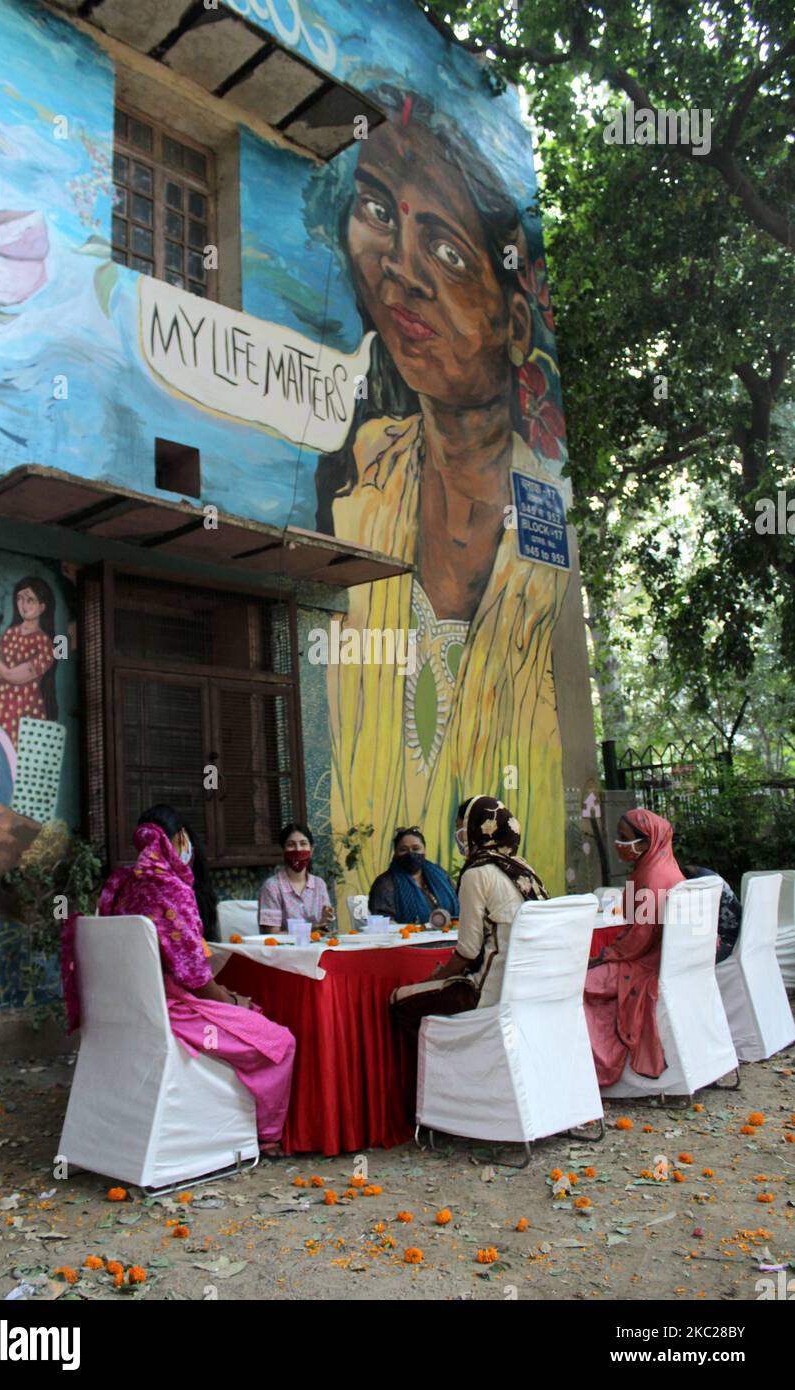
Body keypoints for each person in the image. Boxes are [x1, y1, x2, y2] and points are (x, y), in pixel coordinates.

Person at [314, 84, 570, 899]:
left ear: (516, 324)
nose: (400, 270)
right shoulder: (352, 481)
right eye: (379, 213)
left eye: (449, 253)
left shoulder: (543, 542)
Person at [63, 803, 295, 1150]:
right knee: (278, 1042)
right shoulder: (169, 888)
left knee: (248, 1015)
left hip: (124, 1014)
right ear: (182, 839)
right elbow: (196, 977)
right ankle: (266, 1136)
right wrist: (234, 1002)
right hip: (171, 1013)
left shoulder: (121, 884)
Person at [391, 795, 548, 1026]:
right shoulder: (523, 868)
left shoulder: (477, 873)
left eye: (463, 831)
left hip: (489, 992)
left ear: (477, 830)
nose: (461, 839)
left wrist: (435, 977)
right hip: (532, 987)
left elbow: (468, 952)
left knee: (399, 1001)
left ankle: (450, 1059)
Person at [584, 809, 683, 1087]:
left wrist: (603, 956)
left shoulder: (650, 878)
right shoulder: (667, 867)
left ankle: (601, 1066)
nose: (618, 843)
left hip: (643, 965)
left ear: (646, 841)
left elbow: (638, 940)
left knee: (579, 983)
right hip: (660, 960)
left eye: (624, 838)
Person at [0, 576, 57, 749]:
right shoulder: (11, 634)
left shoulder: (45, 645)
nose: (23, 605)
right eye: (20, 599)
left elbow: (12, 676)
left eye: (30, 600)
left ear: (41, 607)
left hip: (24, 712)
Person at [367, 825, 459, 923]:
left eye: (416, 849)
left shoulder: (440, 875)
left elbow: (458, 902)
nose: (410, 854)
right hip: (406, 936)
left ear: (424, 850)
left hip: (450, 935)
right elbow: (383, 921)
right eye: (403, 850)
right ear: (395, 853)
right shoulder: (385, 884)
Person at [257, 822, 335, 935]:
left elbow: (323, 929)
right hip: (283, 951)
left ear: (311, 850)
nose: (298, 849)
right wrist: (310, 930)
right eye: (291, 844)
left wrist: (325, 922)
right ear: (282, 850)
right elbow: (272, 935)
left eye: (303, 844)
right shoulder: (272, 887)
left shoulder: (319, 884)